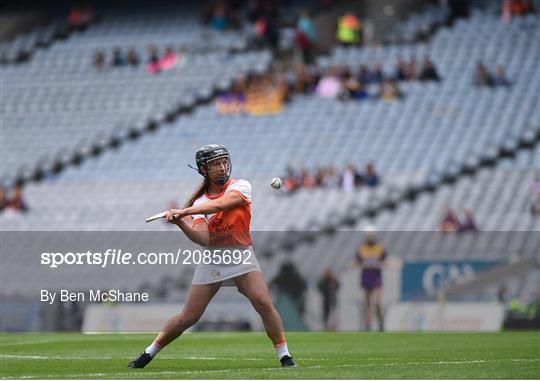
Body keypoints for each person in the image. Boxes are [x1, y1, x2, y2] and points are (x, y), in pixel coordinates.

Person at [128, 144, 296, 368]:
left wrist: (184, 212)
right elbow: (203, 239)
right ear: (203, 170)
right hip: (214, 259)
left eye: (224, 161)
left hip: (241, 256)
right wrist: (180, 223)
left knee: (263, 303)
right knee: (189, 316)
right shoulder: (199, 203)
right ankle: (148, 353)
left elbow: (222, 204)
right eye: (216, 163)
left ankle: (285, 356)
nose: (222, 166)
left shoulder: (241, 186)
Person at [349, 226, 386, 331]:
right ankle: (367, 326)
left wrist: (378, 264)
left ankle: (380, 323)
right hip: (366, 276)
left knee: (377, 302)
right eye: (368, 236)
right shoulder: (361, 249)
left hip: (376, 276)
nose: (369, 238)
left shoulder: (380, 248)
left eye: (371, 236)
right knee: (367, 303)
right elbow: (358, 261)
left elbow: (383, 261)